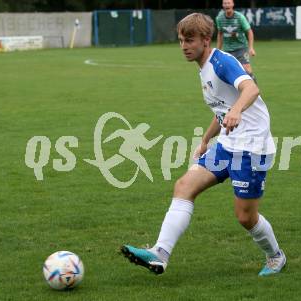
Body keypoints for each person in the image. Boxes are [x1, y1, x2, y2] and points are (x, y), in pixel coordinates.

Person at [121, 13, 286, 277]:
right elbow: (221, 108)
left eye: (189, 40)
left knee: (245, 217)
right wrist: (207, 138)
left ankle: (275, 256)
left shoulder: (222, 62)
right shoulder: (204, 67)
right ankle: (160, 253)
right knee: (185, 186)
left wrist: (237, 111)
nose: (184, 46)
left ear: (206, 40)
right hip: (227, 144)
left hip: (251, 148)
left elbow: (251, 90)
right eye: (180, 40)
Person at [216, 0, 257, 81]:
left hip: (241, 48)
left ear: (233, 4)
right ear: (222, 5)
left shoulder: (240, 17)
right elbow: (220, 34)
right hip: (228, 50)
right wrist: (218, 49)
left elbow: (249, 31)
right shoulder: (219, 18)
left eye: (228, 3)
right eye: (225, 3)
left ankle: (255, 90)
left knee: (247, 69)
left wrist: (251, 47)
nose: (227, 5)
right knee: (228, 72)